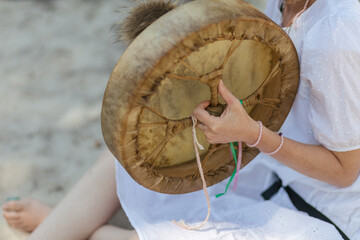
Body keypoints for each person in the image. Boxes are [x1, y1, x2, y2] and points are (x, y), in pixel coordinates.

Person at [3, 0, 360, 239]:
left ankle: (72, 226)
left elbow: (345, 173)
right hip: (273, 167)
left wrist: (254, 134)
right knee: (134, 148)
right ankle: (58, 229)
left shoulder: (336, 36)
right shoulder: (284, 3)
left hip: (329, 212)